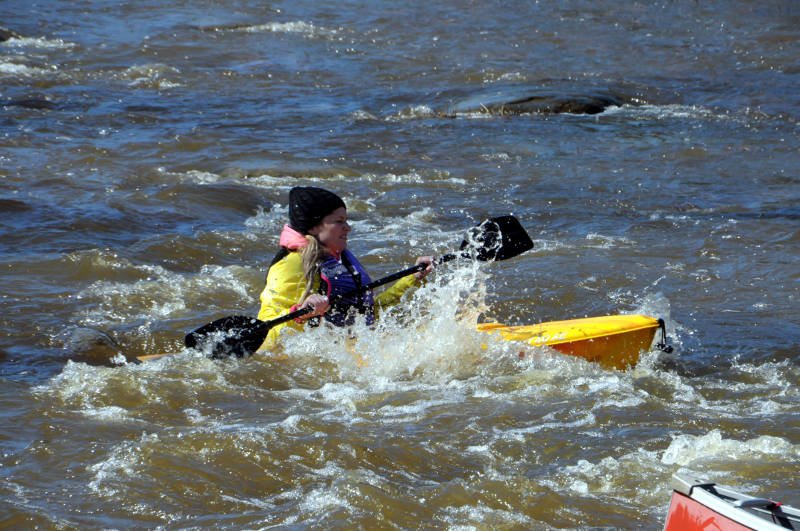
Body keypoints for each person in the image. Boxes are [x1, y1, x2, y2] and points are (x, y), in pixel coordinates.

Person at [257, 186, 433, 351]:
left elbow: (367, 313)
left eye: (346, 221)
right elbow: (267, 339)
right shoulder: (290, 265)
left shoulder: (341, 260)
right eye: (339, 221)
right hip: (321, 360)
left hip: (351, 351)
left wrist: (413, 278)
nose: (348, 228)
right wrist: (299, 314)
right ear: (313, 226)